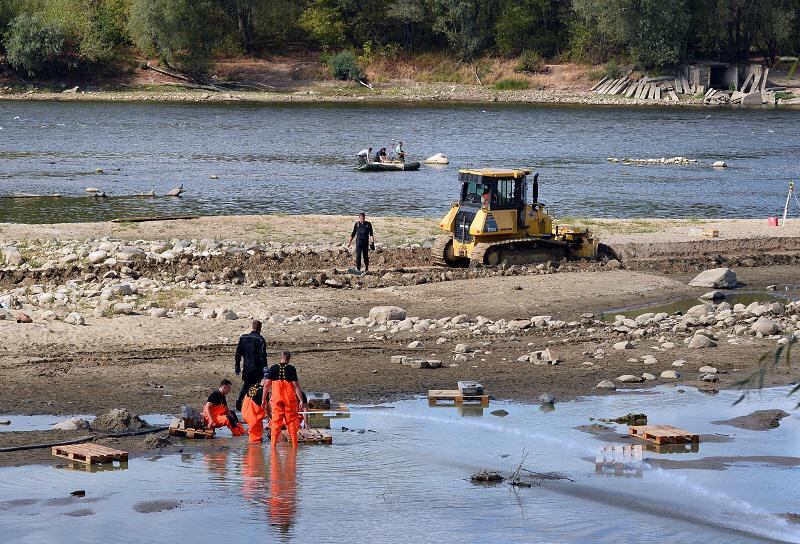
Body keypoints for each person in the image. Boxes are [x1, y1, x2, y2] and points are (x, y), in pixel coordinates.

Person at [262, 351, 306, 447]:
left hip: (277, 399)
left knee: (276, 423)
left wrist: (263, 399)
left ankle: (273, 447)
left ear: (280, 357)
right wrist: (301, 400)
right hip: (289, 399)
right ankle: (295, 447)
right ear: (289, 359)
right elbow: (296, 386)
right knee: (291, 423)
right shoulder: (291, 369)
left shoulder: (273, 368)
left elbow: (266, 385)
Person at [235, 320, 268, 411]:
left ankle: (240, 402)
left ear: (252, 327)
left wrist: (237, 366)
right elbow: (262, 356)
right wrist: (265, 368)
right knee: (257, 386)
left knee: (246, 385)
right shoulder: (260, 340)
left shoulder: (243, 338)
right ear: (260, 328)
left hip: (247, 368)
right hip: (257, 369)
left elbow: (238, 353)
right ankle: (254, 405)